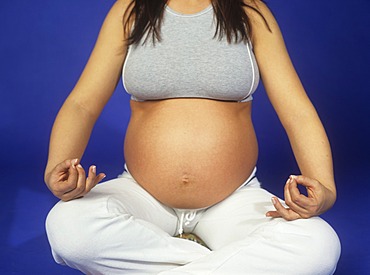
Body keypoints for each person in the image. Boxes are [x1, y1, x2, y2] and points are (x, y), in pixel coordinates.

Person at [44, 0, 341, 274]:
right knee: (67, 229)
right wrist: (57, 167)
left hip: (233, 200)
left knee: (319, 245)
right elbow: (81, 105)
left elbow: (297, 112)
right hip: (142, 195)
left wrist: (325, 187)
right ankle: (219, 261)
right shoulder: (131, 10)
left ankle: (168, 260)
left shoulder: (249, 11)